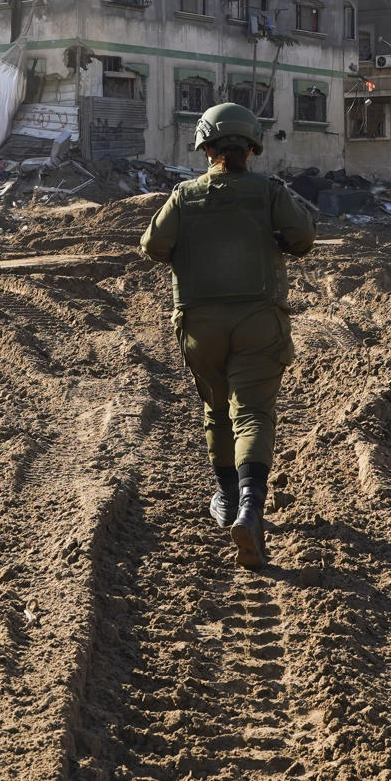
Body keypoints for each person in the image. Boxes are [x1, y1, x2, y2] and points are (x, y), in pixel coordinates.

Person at [140, 102, 316, 569]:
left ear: (206, 147)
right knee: (253, 413)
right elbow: (302, 236)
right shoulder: (269, 191)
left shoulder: (184, 195)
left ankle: (224, 497)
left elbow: (153, 246)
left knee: (217, 412)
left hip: (200, 323)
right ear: (251, 148)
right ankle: (250, 508)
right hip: (259, 318)